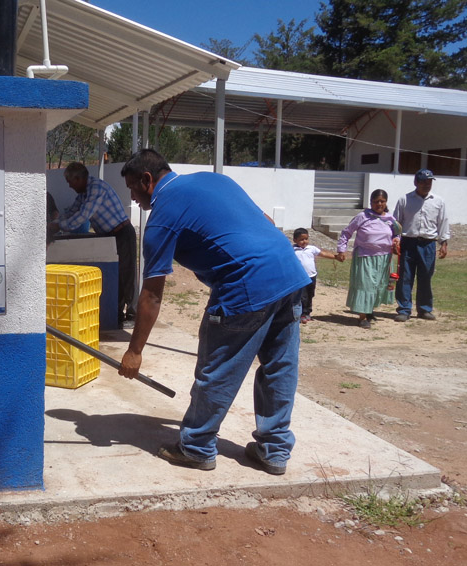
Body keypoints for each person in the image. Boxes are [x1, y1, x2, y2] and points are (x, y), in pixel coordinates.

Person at [117, 149, 310, 475]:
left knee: (218, 369)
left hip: (246, 285)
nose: (133, 197)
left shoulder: (161, 217)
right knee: (279, 368)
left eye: (133, 189)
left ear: (147, 180)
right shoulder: (213, 180)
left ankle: (196, 447)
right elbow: (268, 222)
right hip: (289, 274)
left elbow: (151, 294)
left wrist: (134, 351)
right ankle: (274, 451)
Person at [48, 162, 137, 328]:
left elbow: (82, 216)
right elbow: (71, 212)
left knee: (127, 275)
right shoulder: (83, 194)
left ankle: (133, 315)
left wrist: (58, 226)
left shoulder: (96, 188)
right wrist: (54, 223)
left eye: (70, 181)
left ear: (79, 178)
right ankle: (117, 316)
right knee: (115, 277)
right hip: (109, 236)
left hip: (122, 233)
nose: (69, 185)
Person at [336, 190, 401, 329]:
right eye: (376, 201)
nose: (379, 204)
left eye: (382, 201)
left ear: (386, 202)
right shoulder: (362, 216)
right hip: (365, 256)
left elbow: (397, 233)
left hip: (384, 258)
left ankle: (370, 311)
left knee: (378, 285)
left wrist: (396, 240)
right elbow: (346, 232)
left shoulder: (390, 219)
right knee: (365, 286)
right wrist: (342, 249)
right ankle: (362, 317)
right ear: (371, 202)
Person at [392, 169, 450, 322]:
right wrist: (395, 239)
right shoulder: (405, 199)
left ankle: (424, 309)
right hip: (408, 243)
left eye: (429, 182)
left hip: (428, 244)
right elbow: (396, 222)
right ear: (416, 182)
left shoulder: (438, 201)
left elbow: (443, 222)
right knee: (405, 277)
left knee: (425, 277)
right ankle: (404, 309)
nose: (426, 185)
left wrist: (443, 242)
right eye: (423, 182)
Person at [292, 227, 339, 323]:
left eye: (306, 239)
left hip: (312, 276)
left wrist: (336, 257)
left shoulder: (311, 248)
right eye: (301, 239)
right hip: (300, 278)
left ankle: (308, 312)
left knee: (310, 294)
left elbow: (323, 254)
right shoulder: (293, 250)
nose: (304, 241)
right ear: (295, 240)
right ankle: (302, 314)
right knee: (302, 296)